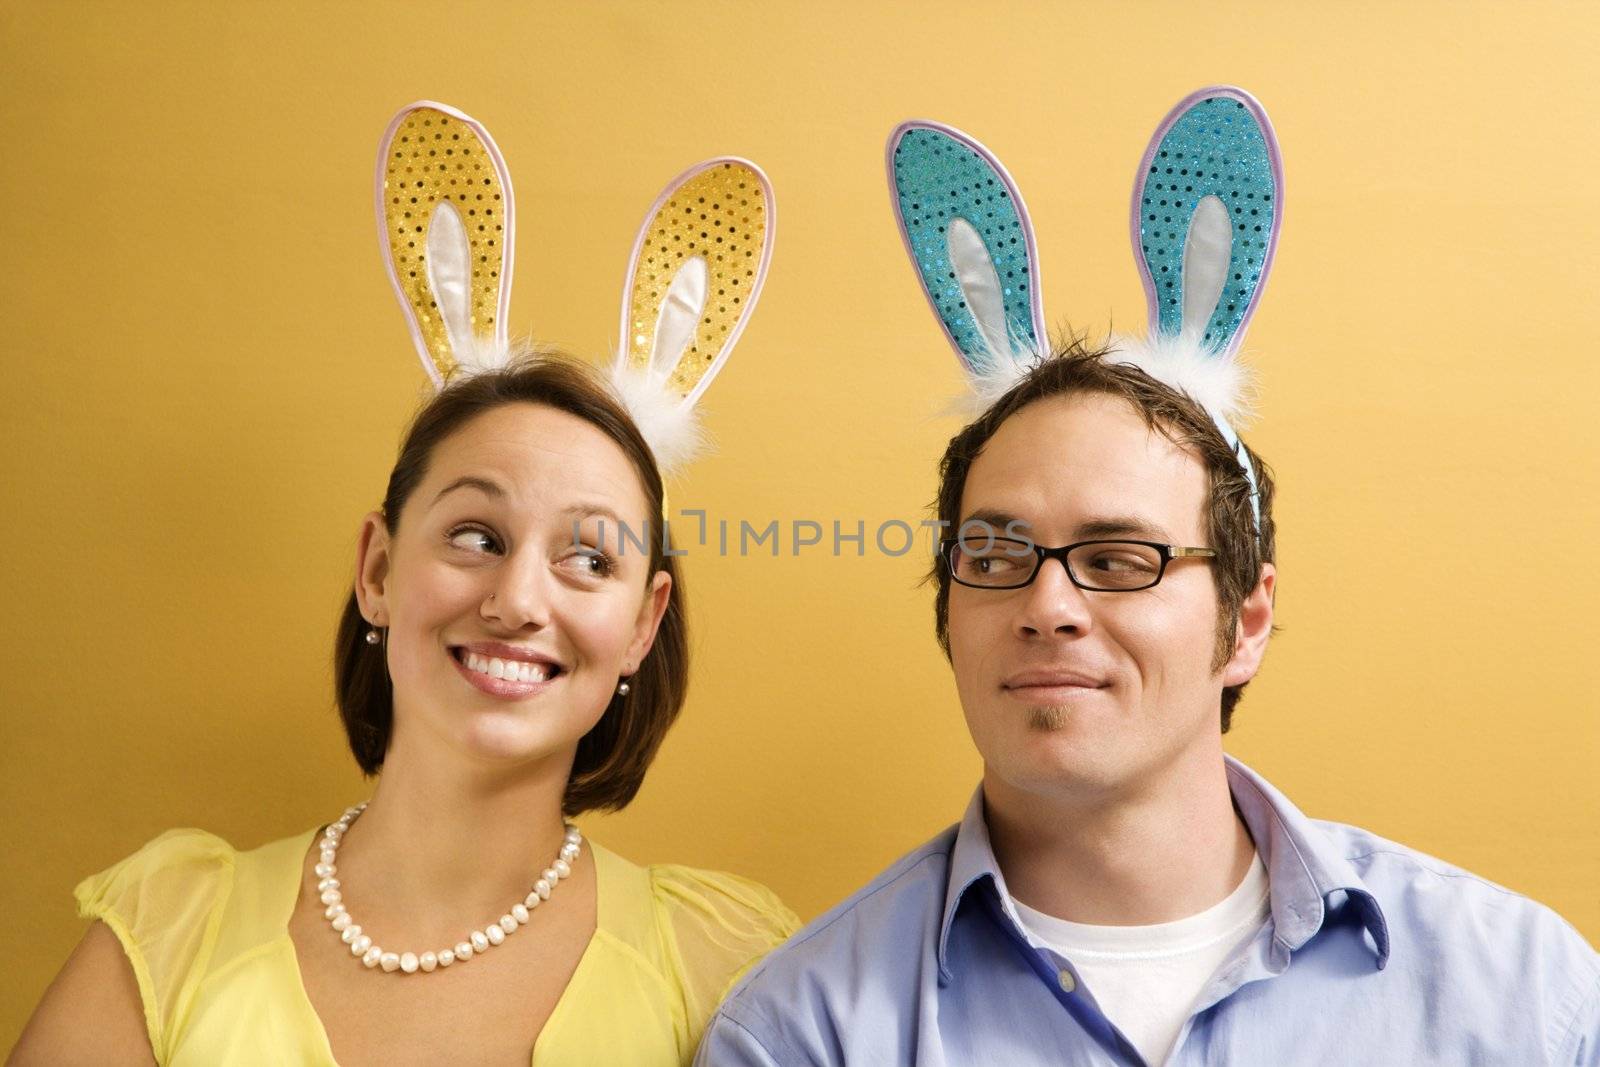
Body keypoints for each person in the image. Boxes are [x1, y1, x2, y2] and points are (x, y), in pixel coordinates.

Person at [697, 89, 1599, 1066]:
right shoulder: (802, 1031)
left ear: (1245, 619)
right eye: (995, 556)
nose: (1047, 606)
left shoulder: (1521, 996)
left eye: (1119, 560)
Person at [12, 103, 792, 1067]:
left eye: (590, 557)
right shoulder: (168, 935)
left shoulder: (727, 967)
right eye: (475, 534)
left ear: (643, 623)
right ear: (379, 569)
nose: (517, 600)